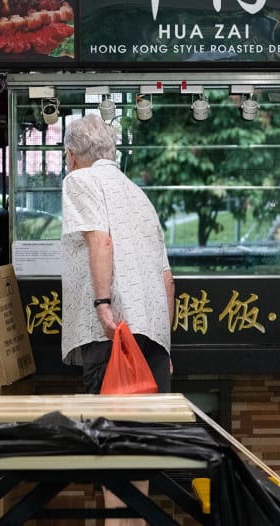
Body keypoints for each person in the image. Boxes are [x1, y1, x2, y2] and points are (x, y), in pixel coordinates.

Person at [60, 113, 174, 526]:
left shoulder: (80, 181)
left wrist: (102, 303)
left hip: (114, 337)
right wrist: (165, 345)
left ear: (71, 156)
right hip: (151, 339)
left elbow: (99, 239)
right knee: (138, 448)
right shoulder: (138, 194)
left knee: (110, 445)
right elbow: (167, 279)